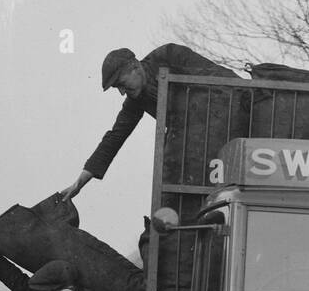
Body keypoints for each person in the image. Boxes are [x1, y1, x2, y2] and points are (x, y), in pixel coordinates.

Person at [59, 42, 239, 199]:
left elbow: (222, 78)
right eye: (117, 88)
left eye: (121, 83)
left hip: (232, 122)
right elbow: (114, 137)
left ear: (135, 67)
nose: (122, 92)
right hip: (201, 147)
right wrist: (80, 182)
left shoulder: (169, 55)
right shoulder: (135, 100)